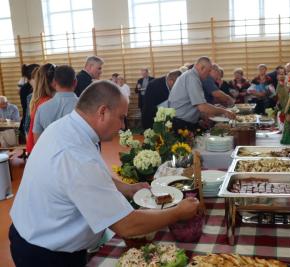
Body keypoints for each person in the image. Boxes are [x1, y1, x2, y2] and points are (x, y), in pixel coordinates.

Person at [9, 80, 199, 267]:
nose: (123, 126)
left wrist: (127, 189)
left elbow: (89, 177)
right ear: (102, 112)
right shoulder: (77, 156)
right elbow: (126, 225)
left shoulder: (67, 128)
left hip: (37, 237)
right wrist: (178, 212)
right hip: (45, 254)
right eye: (121, 117)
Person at [168, 56, 235, 131]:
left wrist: (200, 118)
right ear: (202, 68)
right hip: (180, 123)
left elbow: (191, 104)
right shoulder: (192, 78)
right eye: (209, 71)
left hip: (183, 121)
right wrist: (224, 111)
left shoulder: (192, 76)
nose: (209, 74)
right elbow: (202, 107)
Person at [32, 65, 78, 142]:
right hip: (78, 153)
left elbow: (37, 141)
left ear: (54, 83)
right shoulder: (86, 107)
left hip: (51, 152)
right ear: (75, 82)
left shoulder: (42, 108)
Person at [26, 63, 56, 154]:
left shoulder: (39, 100)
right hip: (41, 150)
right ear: (54, 82)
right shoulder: (47, 102)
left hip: (35, 148)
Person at [18, 64, 39, 138]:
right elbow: (27, 109)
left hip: (30, 123)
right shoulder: (26, 90)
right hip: (30, 124)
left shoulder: (25, 88)